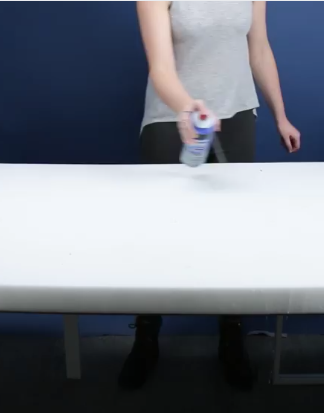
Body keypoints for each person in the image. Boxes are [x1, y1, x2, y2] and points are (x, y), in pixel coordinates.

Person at [119, 1, 301, 391]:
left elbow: (259, 49)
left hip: (237, 116)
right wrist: (188, 108)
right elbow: (161, 68)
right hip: (173, 119)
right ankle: (146, 337)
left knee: (233, 237)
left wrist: (280, 115)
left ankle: (231, 338)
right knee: (157, 237)